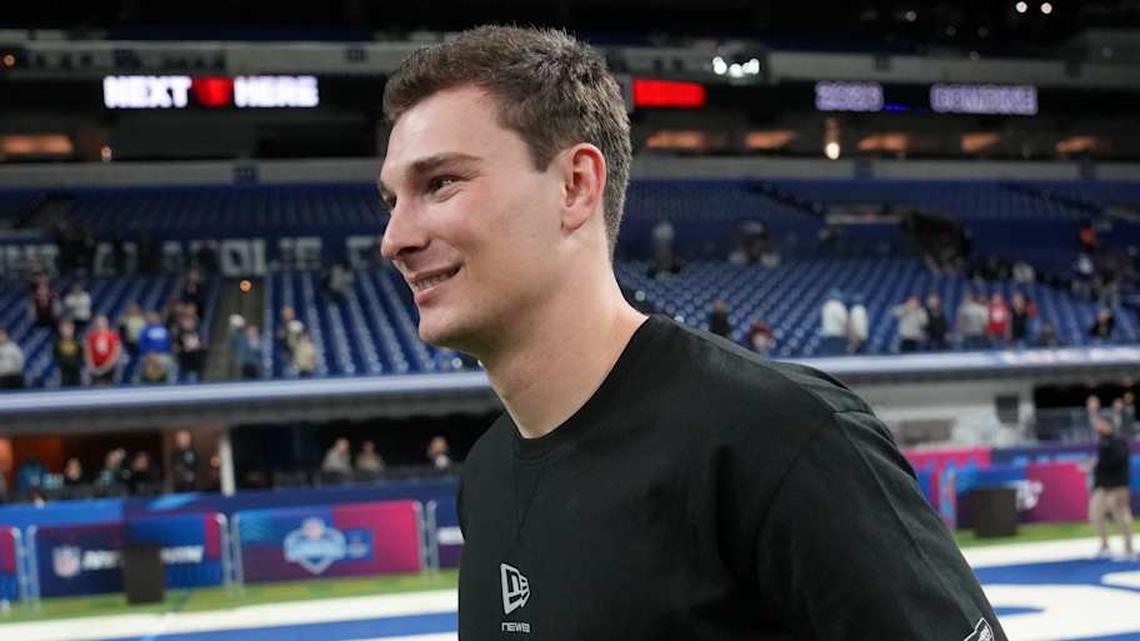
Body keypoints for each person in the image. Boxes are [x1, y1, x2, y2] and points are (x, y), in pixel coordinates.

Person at [378, 26, 1005, 641]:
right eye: (391, 201)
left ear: (574, 187)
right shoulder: (486, 476)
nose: (395, 239)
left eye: (440, 184)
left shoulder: (782, 440)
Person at [1089, 415, 1135, 560]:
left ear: (1108, 425)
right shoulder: (1102, 442)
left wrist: (1097, 464)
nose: (1098, 427)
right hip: (1102, 486)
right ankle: (1105, 546)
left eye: (1101, 424)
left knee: (1120, 516)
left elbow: (1117, 460)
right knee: (1095, 514)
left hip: (1118, 486)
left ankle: (1129, 549)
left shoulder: (1118, 441)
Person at [84, 315, 122, 386]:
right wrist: (92, 367)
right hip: (95, 367)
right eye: (98, 322)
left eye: (102, 322)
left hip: (109, 367)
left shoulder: (113, 336)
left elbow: (115, 353)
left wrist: (106, 367)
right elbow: (88, 353)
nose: (100, 324)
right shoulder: (91, 337)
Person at [53, 319, 84, 387]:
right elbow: (56, 357)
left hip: (76, 372)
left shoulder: (78, 342)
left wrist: (75, 364)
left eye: (69, 328)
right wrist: (66, 363)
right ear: (60, 329)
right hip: (63, 373)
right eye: (65, 328)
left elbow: (81, 357)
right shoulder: (57, 343)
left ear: (73, 329)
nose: (67, 331)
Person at [819, 290, 848, 356]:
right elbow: (842, 321)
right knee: (838, 356)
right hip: (837, 335)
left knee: (831, 355)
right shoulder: (839, 305)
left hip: (828, 335)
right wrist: (845, 333)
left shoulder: (826, 306)